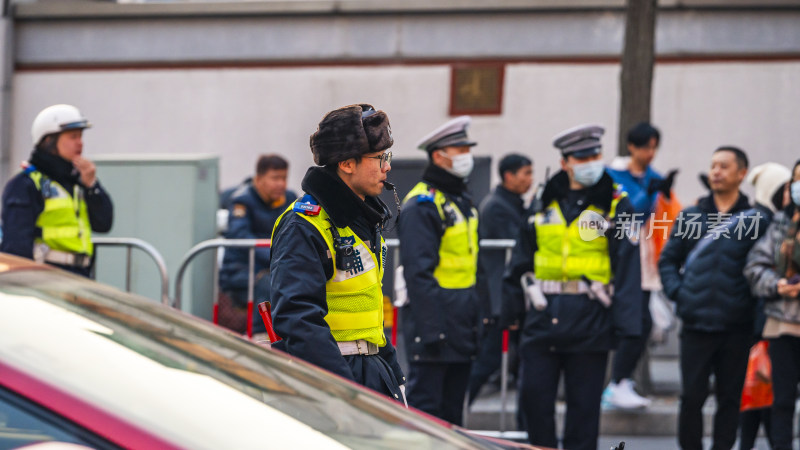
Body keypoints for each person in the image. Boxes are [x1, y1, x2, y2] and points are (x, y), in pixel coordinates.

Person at [502, 124, 641, 450]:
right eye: (582, 157)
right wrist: (509, 311)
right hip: (541, 317)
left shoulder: (618, 203)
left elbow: (628, 265)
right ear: (565, 162)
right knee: (534, 405)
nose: (591, 161)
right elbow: (521, 258)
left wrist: (628, 325)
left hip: (590, 318)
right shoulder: (541, 201)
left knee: (583, 413)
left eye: (595, 155)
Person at [269, 104, 405, 401]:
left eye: (388, 156)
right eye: (380, 157)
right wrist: (343, 392)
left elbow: (367, 313)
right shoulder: (303, 225)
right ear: (346, 163)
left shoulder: (364, 219)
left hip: (370, 371)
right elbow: (298, 318)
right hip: (328, 381)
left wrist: (394, 375)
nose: (387, 167)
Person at [659, 146, 764, 450]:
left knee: (730, 398)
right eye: (713, 165)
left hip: (737, 325)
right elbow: (668, 260)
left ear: (742, 174)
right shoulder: (692, 215)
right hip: (696, 324)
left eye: (724, 166)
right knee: (691, 396)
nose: (716, 171)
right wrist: (679, 294)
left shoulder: (755, 220)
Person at [398, 116, 480, 425]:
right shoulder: (422, 204)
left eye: (466, 148)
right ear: (438, 155)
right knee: (427, 419)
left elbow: (471, 268)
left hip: (460, 324)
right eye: (459, 149)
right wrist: (433, 331)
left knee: (452, 420)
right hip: (435, 328)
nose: (465, 156)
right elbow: (418, 273)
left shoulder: (460, 199)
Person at [603, 121, 679, 409]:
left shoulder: (653, 176)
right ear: (632, 147)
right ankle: (616, 383)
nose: (651, 152)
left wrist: (665, 193)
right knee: (634, 323)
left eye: (654, 147)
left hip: (646, 259)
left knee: (642, 324)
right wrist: (651, 192)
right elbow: (630, 211)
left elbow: (665, 215)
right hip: (621, 257)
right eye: (646, 146)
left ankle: (620, 382)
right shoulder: (614, 175)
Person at [1, 104, 113, 277]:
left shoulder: (77, 182)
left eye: (81, 136)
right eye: (73, 136)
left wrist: (92, 185)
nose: (80, 143)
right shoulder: (26, 184)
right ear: (49, 141)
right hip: (45, 278)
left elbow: (104, 223)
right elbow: (16, 246)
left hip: (80, 276)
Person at [744, 159, 800, 450]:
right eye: (797, 180)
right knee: (781, 401)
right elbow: (755, 266)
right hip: (782, 325)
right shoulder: (782, 222)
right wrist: (776, 285)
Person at [468, 153, 533, 403]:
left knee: (518, 361)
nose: (530, 179)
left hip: (508, 294)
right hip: (499, 298)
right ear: (508, 176)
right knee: (488, 360)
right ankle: (457, 413)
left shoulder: (511, 202)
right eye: (525, 173)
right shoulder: (497, 206)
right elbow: (517, 247)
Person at [217, 154, 296, 337]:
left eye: (284, 178)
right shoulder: (242, 201)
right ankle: (262, 337)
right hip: (242, 271)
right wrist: (276, 255)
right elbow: (240, 236)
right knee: (268, 286)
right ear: (258, 179)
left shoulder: (289, 198)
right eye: (275, 178)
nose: (281, 184)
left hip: (276, 267)